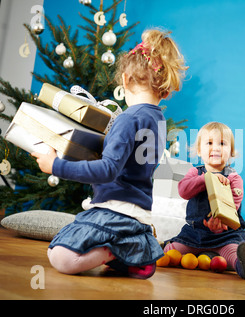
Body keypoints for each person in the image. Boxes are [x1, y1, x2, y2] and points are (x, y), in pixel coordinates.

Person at [32, 29, 188, 279]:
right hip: (136, 211)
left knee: (60, 257)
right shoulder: (156, 119)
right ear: (166, 91)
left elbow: (107, 171)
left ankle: (123, 249)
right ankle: (131, 255)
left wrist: (55, 165)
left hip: (117, 211)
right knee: (62, 247)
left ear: (125, 80)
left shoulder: (129, 119)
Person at [164, 122, 245, 280]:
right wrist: (206, 179)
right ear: (199, 151)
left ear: (231, 153)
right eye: (209, 143)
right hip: (195, 233)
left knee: (231, 251)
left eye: (222, 143)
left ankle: (243, 263)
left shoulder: (234, 177)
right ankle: (162, 249)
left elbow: (234, 204)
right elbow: (183, 191)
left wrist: (222, 219)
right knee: (173, 250)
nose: (215, 148)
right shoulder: (195, 172)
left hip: (224, 234)